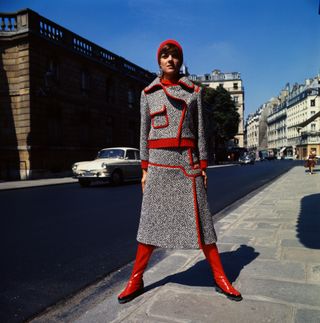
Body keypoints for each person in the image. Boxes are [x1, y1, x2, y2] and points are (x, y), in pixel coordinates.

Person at [117, 39, 242, 304]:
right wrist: (144, 168)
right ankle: (135, 280)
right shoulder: (147, 93)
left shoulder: (193, 91)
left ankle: (221, 278)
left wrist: (203, 165)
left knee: (203, 226)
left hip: (187, 164)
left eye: (174, 55)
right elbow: (143, 133)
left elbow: (201, 133)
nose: (170, 60)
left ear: (180, 60)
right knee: (150, 225)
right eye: (165, 55)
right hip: (158, 165)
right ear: (158, 60)